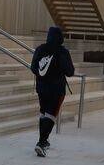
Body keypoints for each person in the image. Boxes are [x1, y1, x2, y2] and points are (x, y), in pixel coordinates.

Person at [30, 26, 75, 157]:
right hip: (57, 89)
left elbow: (33, 67)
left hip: (41, 88)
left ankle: (43, 141)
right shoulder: (62, 52)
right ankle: (42, 142)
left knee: (43, 113)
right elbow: (70, 72)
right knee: (51, 115)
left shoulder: (40, 49)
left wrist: (42, 75)